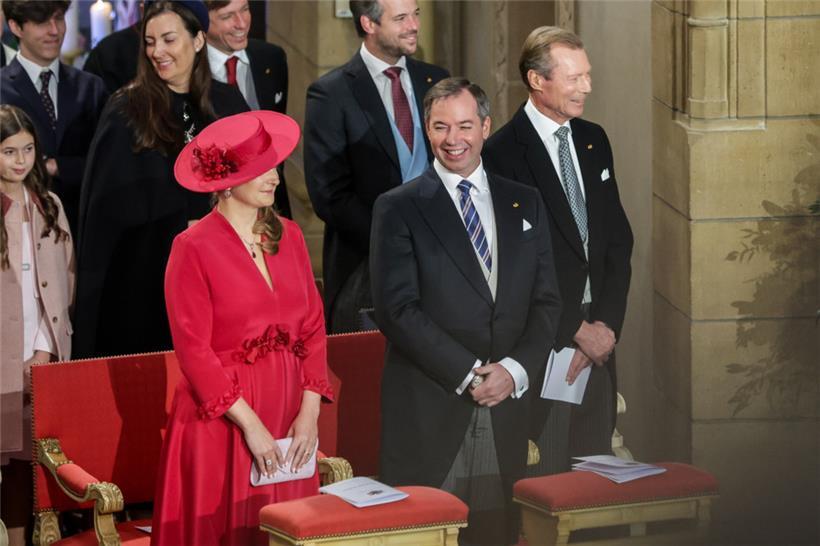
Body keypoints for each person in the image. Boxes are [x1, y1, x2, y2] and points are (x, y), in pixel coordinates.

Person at [370, 78, 562, 546]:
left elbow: (547, 302)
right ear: (427, 131)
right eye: (440, 127)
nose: (453, 139)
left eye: (464, 125)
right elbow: (397, 309)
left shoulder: (526, 201)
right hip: (432, 405)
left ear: (485, 126)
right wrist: (472, 374)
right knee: (427, 534)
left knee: (495, 533)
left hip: (506, 408)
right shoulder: (398, 208)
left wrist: (513, 371)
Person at [151, 110, 334, 546]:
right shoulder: (191, 247)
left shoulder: (289, 236)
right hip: (223, 421)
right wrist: (250, 426)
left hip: (289, 413)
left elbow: (313, 328)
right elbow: (193, 350)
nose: (274, 177)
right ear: (227, 181)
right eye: (261, 169)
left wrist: (308, 414)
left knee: (283, 530)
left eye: (273, 166)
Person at [483, 26, 633, 469]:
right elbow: (512, 265)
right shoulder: (501, 154)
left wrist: (604, 326)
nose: (586, 87)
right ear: (537, 80)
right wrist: (574, 327)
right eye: (574, 78)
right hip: (542, 341)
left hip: (600, 341)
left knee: (597, 473)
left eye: (587, 75)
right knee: (544, 476)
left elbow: (617, 242)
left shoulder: (593, 140)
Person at [72, 0, 247, 358]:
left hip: (223, 284)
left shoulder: (228, 104)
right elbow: (105, 214)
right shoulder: (127, 111)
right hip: (146, 292)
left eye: (168, 39)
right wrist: (182, 223)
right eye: (150, 42)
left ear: (198, 40)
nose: (157, 52)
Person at [304, 0, 448, 333]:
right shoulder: (330, 93)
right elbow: (329, 195)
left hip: (441, 264)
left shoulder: (437, 80)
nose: (413, 25)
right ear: (369, 24)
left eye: (416, 14)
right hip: (366, 266)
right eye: (400, 18)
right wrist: (393, 238)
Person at [0, 104, 74, 546]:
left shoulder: (49, 205)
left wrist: (45, 346)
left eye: (27, 149)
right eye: (9, 151)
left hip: (40, 357)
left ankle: (24, 536)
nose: (20, 160)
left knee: (30, 460)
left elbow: (65, 281)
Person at [0, 0, 108, 233]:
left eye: (59, 18)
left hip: (84, 228)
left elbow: (107, 161)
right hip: (15, 230)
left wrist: (58, 166)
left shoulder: (91, 87)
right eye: (41, 22)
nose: (54, 30)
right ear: (16, 27)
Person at [205, 0, 292, 217]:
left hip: (272, 211)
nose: (242, 23)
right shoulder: (189, 74)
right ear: (200, 20)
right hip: (215, 216)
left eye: (245, 9)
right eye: (227, 16)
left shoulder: (272, 58)